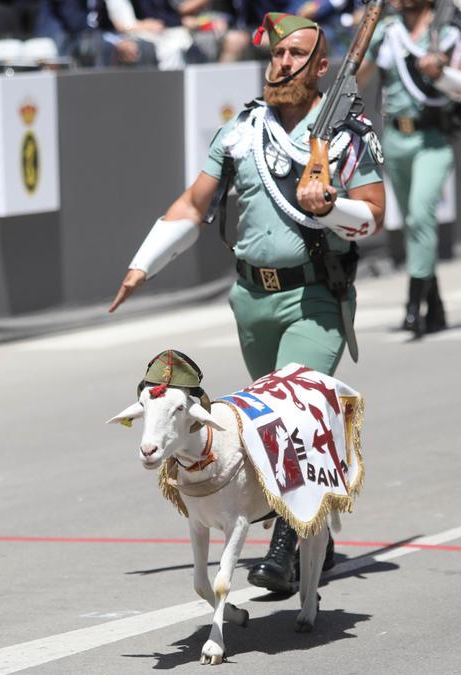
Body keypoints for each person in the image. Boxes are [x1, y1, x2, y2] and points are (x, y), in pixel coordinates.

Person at [109, 12, 385, 593]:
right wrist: (143, 263)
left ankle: (283, 553)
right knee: (278, 427)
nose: (282, 64)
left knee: (288, 415)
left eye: (296, 56)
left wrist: (329, 206)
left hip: (315, 297)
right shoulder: (241, 131)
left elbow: (374, 216)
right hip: (252, 300)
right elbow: (193, 204)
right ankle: (318, 536)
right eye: (277, 55)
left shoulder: (348, 135)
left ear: (322, 67)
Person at [357, 0, 461, 338]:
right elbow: (360, 77)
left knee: (419, 216)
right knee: (413, 223)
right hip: (396, 137)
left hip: (432, 138)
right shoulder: (386, 32)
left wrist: (441, 72)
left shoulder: (448, 32)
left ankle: (413, 305)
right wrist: (365, 36)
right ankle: (436, 305)